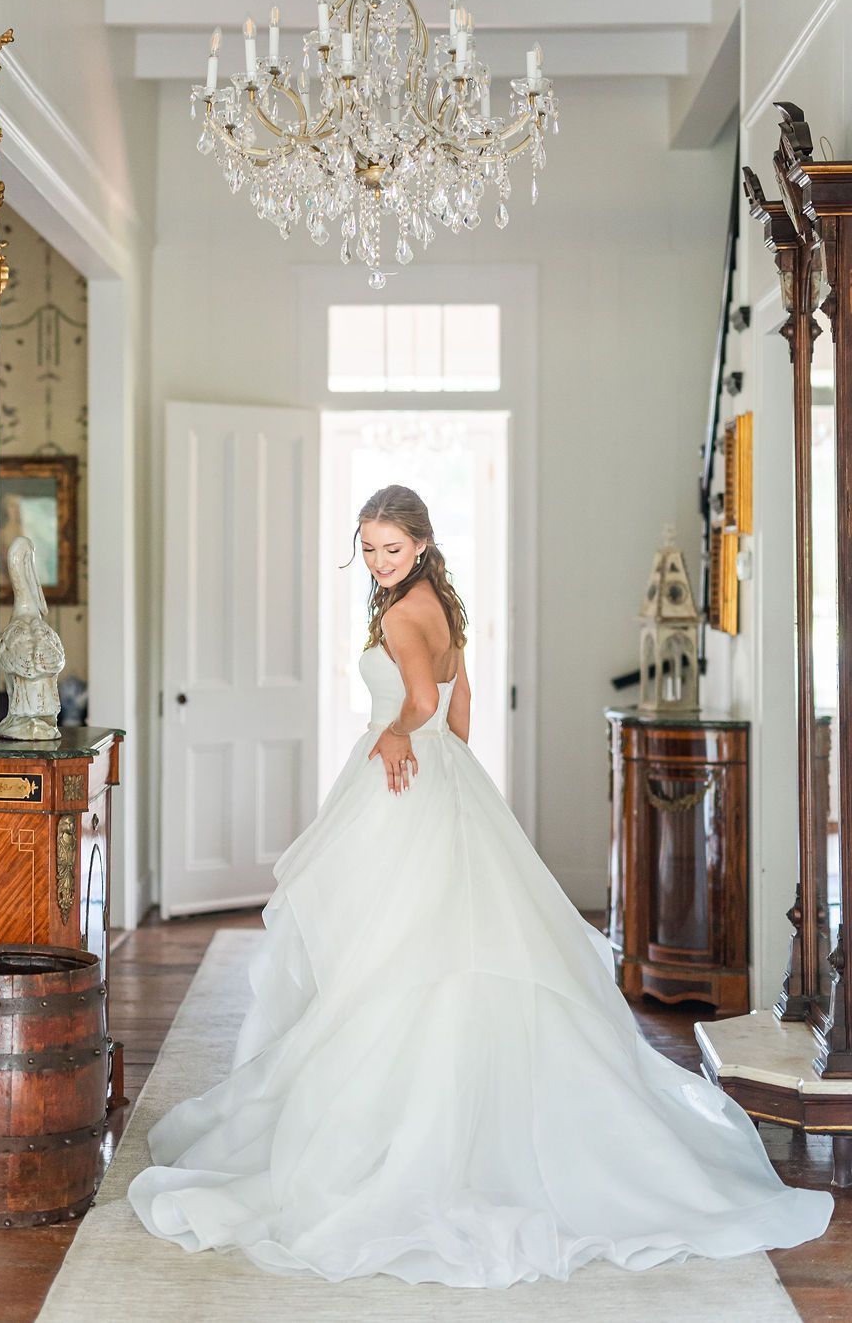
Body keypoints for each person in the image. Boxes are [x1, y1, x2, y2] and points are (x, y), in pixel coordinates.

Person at [126, 484, 834, 1286]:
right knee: (441, 945)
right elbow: (459, 721)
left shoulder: (399, 614)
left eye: (391, 548)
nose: (378, 561)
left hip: (403, 787)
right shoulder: (442, 607)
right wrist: (428, 742)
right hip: (450, 782)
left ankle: (393, 1133)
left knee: (391, 953)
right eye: (367, 547)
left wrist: (394, 734)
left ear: (421, 545)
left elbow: (425, 704)